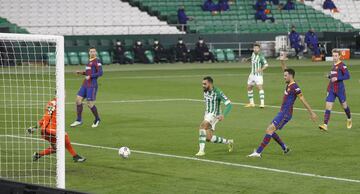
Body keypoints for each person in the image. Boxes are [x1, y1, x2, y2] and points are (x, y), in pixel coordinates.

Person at [248, 60, 317, 158]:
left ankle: (258, 152)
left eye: (285, 76)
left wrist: (312, 113)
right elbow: (286, 70)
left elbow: (303, 99)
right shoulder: (289, 83)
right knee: (270, 130)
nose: (284, 77)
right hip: (282, 112)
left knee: (269, 130)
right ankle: (285, 148)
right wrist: (282, 62)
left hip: (286, 114)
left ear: (290, 76)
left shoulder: (295, 87)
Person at [29, 98, 86, 162]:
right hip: (49, 130)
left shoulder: (52, 102)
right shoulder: (56, 103)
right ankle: (75, 156)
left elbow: (45, 117)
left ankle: (38, 155)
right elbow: (47, 117)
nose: (65, 96)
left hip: (46, 130)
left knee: (56, 148)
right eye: (64, 93)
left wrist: (35, 127)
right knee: (64, 135)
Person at [196, 76, 234, 156]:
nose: (203, 85)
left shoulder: (218, 92)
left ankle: (201, 151)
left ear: (210, 83)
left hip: (214, 115)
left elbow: (229, 104)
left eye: (204, 84)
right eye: (202, 84)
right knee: (208, 138)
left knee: (202, 126)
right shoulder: (205, 91)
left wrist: (223, 115)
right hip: (207, 114)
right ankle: (229, 142)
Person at [319, 49, 352, 131]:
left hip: (340, 90)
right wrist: (329, 76)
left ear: (339, 56)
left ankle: (349, 118)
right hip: (331, 89)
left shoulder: (342, 65)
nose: (334, 57)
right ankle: (325, 125)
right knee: (328, 106)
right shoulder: (333, 66)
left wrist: (337, 78)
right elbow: (333, 77)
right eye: (333, 55)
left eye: (336, 56)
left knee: (344, 106)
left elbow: (347, 76)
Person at [70, 47, 103, 128]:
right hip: (85, 84)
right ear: (89, 53)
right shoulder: (89, 61)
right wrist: (81, 73)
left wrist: (91, 76)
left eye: (94, 51)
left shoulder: (97, 61)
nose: (92, 53)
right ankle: (78, 120)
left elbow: (100, 73)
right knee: (78, 100)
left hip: (92, 85)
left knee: (90, 104)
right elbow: (88, 73)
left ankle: (97, 119)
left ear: (96, 52)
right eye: (91, 51)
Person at [244, 43, 268, 108]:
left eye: (257, 48)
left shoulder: (261, 56)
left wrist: (261, 69)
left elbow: (266, 65)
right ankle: (252, 103)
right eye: (254, 48)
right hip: (252, 74)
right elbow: (252, 57)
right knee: (249, 87)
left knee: (259, 87)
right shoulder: (253, 54)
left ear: (259, 49)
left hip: (258, 75)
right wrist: (247, 59)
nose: (255, 49)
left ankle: (262, 103)